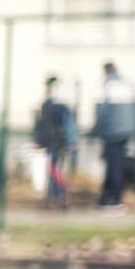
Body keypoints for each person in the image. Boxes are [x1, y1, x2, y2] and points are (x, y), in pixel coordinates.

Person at [87, 61, 135, 208]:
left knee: (112, 166)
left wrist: (93, 133)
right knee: (117, 165)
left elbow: (102, 113)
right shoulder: (126, 84)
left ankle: (113, 200)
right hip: (125, 132)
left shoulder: (108, 86)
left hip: (111, 132)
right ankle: (109, 198)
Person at [32, 75, 76, 209]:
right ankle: (56, 196)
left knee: (54, 170)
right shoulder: (58, 105)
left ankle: (58, 196)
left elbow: (45, 126)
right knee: (54, 169)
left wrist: (39, 140)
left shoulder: (54, 106)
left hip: (55, 142)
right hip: (56, 142)